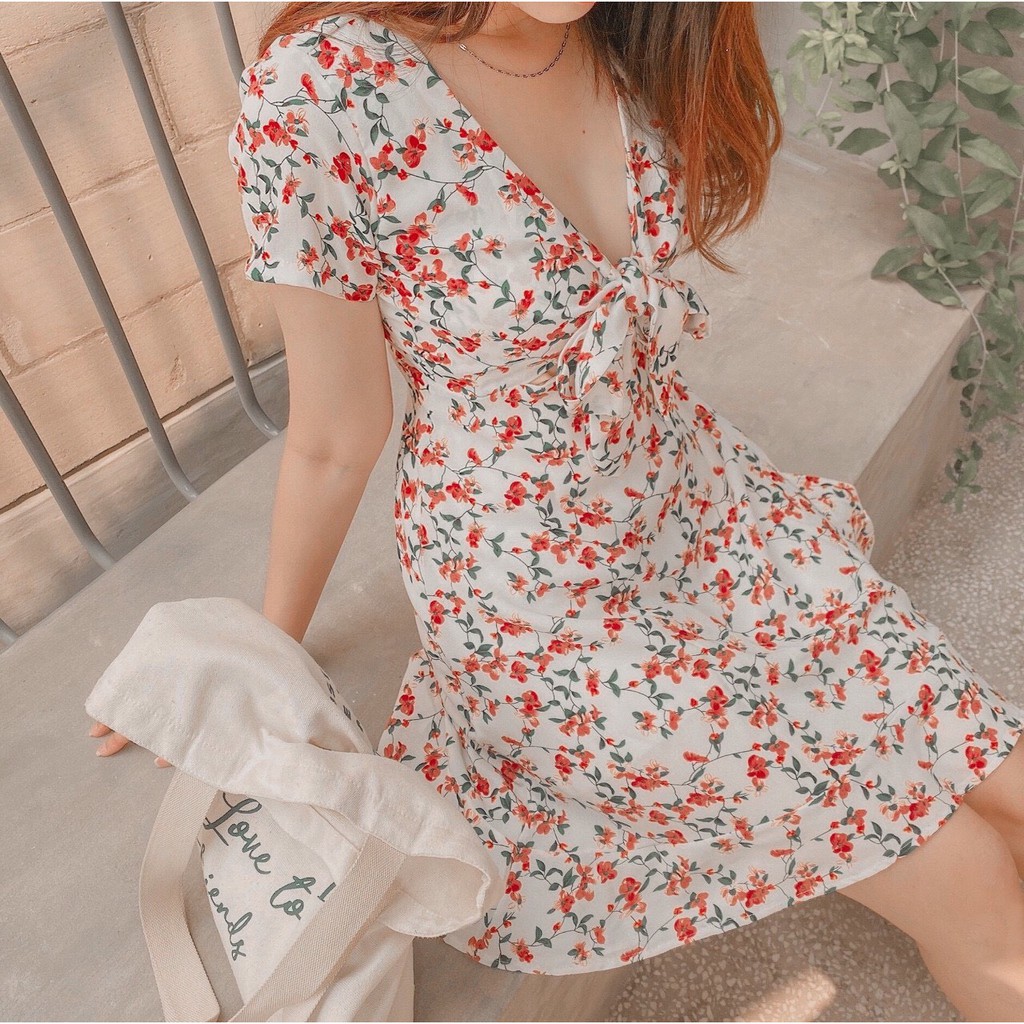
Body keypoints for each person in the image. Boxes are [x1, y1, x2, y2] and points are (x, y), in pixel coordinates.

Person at [89, 2, 1024, 1015]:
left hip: (702, 509)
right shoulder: (324, 89)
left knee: (1012, 795)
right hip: (537, 603)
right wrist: (257, 662)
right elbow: (334, 433)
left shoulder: (632, 30)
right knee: (969, 875)